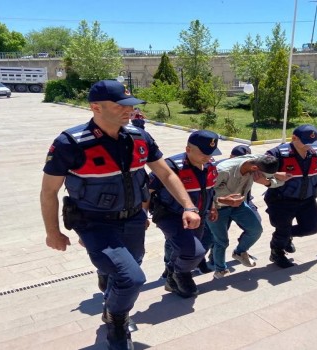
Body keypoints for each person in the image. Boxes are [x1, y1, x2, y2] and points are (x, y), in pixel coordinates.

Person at [40, 80, 201, 349]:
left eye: (131, 106)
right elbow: (48, 191)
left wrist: (189, 206)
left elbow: (165, 172)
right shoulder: (70, 143)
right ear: (96, 108)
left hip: (133, 219)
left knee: (128, 267)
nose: (129, 111)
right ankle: (116, 320)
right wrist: (52, 232)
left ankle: (109, 281)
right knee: (132, 278)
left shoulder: (139, 137)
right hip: (94, 223)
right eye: (121, 106)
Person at [149, 130, 220, 297]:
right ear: (188, 149)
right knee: (195, 252)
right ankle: (182, 274)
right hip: (172, 216)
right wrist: (143, 216)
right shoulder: (171, 167)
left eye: (211, 153)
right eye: (203, 153)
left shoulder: (210, 165)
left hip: (199, 217)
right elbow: (147, 190)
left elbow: (210, 189)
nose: (208, 157)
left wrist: (213, 206)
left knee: (184, 250)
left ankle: (172, 279)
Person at [264, 124, 317, 268]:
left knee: (312, 227)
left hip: (307, 199)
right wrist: (275, 174)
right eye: (306, 143)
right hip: (281, 200)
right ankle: (277, 251)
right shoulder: (277, 153)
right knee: (282, 228)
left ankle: (287, 236)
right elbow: (258, 170)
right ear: (294, 138)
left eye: (313, 143)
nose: (310, 146)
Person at [207, 154, 279, 278]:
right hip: (216, 208)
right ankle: (220, 269)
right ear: (255, 168)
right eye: (263, 176)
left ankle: (239, 253)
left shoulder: (259, 161)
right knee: (221, 241)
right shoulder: (223, 170)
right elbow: (205, 194)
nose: (263, 179)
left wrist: (275, 179)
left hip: (239, 205)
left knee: (256, 230)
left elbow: (275, 178)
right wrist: (223, 201)